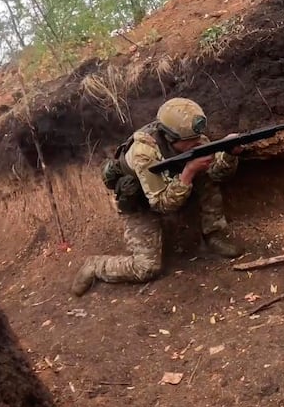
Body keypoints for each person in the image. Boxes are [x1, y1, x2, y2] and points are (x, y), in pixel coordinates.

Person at [71, 97, 244, 296]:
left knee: (206, 175)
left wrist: (230, 153)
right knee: (146, 268)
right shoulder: (143, 152)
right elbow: (161, 204)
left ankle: (213, 234)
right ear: (171, 137)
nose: (198, 142)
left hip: (168, 187)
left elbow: (217, 174)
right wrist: (188, 172)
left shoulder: (193, 137)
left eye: (198, 138)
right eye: (190, 141)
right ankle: (96, 266)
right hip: (140, 202)